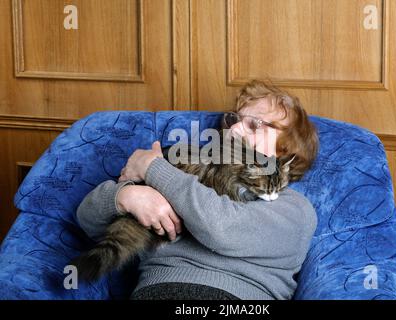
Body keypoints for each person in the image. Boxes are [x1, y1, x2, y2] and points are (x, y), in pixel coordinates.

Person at [76, 80, 319, 300]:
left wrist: (152, 168)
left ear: (285, 151)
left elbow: (222, 227)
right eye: (233, 120)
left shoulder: (295, 209)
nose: (233, 130)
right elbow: (87, 220)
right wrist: (127, 196)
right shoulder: (189, 171)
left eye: (254, 125)